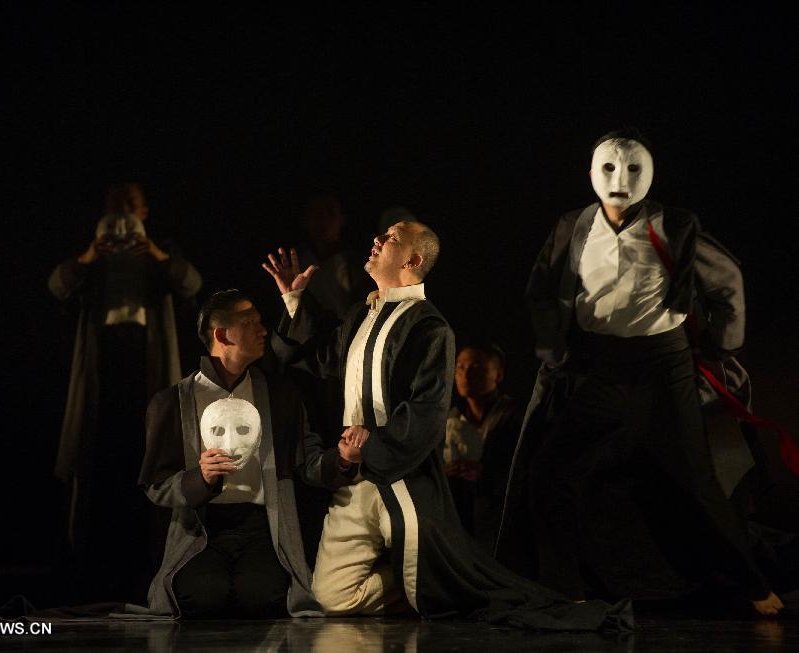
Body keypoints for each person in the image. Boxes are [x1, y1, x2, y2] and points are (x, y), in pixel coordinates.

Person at [263, 222, 632, 630]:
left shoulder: (428, 326)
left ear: (413, 260)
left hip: (402, 479)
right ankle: (422, 589)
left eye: (391, 239)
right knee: (332, 598)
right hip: (356, 481)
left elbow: (427, 410)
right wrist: (294, 297)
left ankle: (432, 589)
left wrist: (370, 444)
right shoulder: (361, 314)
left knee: (437, 588)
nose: (377, 240)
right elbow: (320, 359)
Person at [498, 129, 784, 616]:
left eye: (632, 169)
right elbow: (541, 289)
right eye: (608, 168)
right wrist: (553, 350)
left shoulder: (673, 224)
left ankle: (757, 587)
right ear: (590, 174)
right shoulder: (574, 225)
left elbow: (727, 280)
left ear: (650, 174)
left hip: (662, 367)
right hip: (599, 369)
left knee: (696, 481)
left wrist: (720, 345)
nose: (620, 179)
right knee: (550, 471)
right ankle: (568, 591)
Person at [138, 289, 357, 618]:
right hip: (204, 529)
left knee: (263, 596)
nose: (263, 329)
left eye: (260, 321)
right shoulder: (173, 402)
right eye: (250, 322)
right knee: (200, 598)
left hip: (261, 528)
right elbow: (156, 484)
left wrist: (341, 458)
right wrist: (201, 477)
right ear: (222, 334)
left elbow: (307, 461)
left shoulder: (279, 395)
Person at [49, 182, 202, 602]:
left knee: (150, 455)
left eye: (130, 205)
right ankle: (93, 564)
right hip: (104, 366)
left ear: (145, 211)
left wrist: (153, 254)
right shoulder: (91, 255)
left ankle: (150, 561)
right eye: (114, 204)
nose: (121, 213)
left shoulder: (160, 250)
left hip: (146, 366)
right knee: (100, 455)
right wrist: (88, 256)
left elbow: (191, 284)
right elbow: (57, 286)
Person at [444, 341, 520, 550]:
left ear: (498, 375)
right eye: (460, 367)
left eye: (477, 368)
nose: (466, 375)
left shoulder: (515, 417)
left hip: (502, 521)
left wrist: (486, 473)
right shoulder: (451, 419)